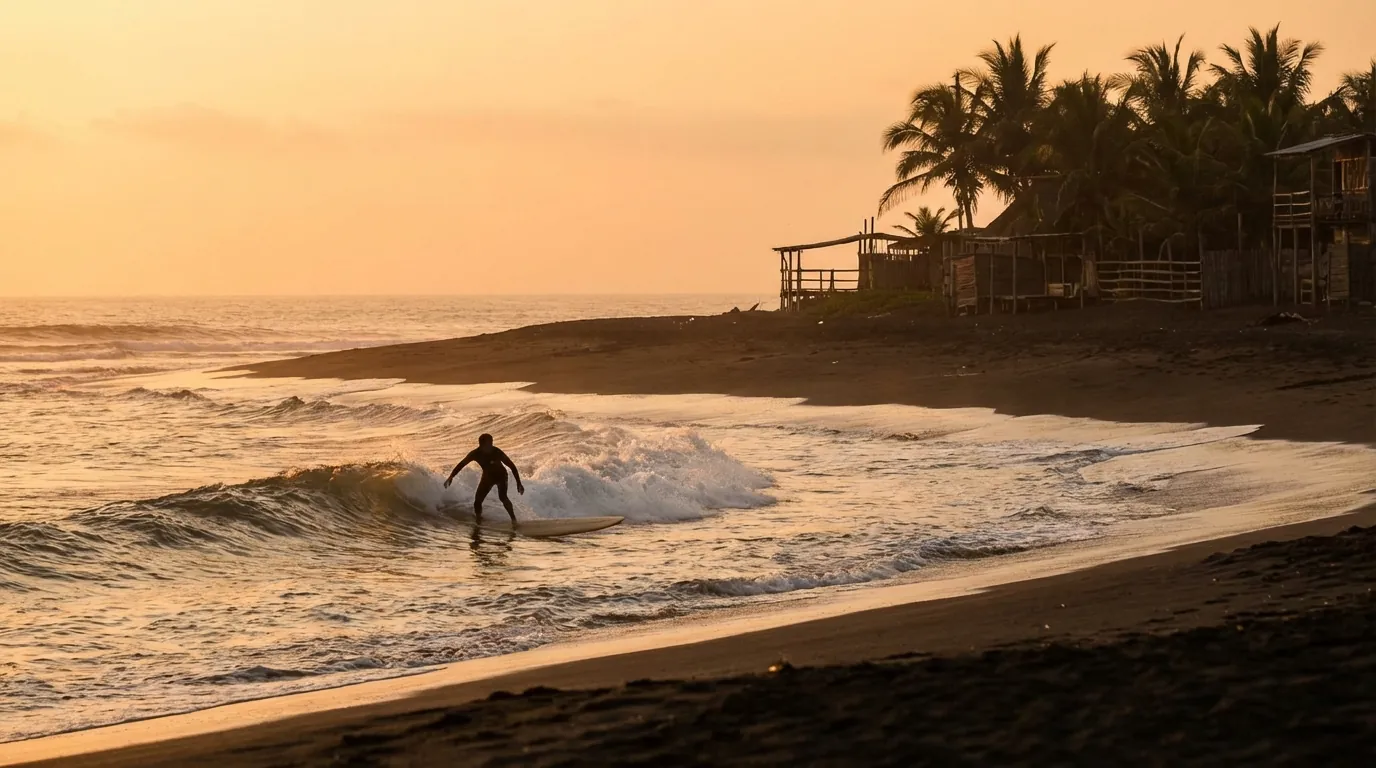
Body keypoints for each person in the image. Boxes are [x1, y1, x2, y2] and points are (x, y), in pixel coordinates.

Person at [443, 433, 524, 524]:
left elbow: (511, 466)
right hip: (488, 477)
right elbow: (461, 464)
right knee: (477, 501)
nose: (492, 444)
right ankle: (478, 520)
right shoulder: (475, 453)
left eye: (492, 442)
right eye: (490, 443)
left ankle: (514, 520)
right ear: (482, 444)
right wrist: (451, 476)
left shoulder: (497, 452)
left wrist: (519, 483)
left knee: (502, 497)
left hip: (501, 475)